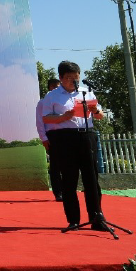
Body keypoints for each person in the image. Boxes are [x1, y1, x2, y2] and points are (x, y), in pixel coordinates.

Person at [42, 61, 106, 230]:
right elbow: (46, 118)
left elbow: (101, 116)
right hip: (65, 138)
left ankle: (96, 217)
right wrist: (64, 116)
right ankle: (73, 220)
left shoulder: (86, 93)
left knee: (91, 178)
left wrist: (95, 111)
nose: (73, 81)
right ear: (61, 78)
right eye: (69, 78)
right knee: (69, 179)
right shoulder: (52, 96)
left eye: (76, 77)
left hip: (87, 135)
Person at [36, 78, 63, 201]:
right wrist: (43, 138)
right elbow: (40, 121)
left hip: (66, 134)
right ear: (50, 88)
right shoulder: (43, 103)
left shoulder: (63, 100)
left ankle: (67, 190)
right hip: (52, 135)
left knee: (67, 164)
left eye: (59, 87)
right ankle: (58, 192)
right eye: (55, 87)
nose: (57, 89)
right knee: (55, 165)